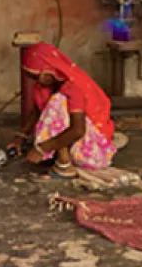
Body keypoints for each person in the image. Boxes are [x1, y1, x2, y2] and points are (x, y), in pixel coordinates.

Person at [10, 43, 117, 178]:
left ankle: (64, 166)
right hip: (81, 141)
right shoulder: (50, 84)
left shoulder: (73, 87)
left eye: (37, 76)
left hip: (95, 150)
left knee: (57, 103)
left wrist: (42, 149)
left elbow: (78, 130)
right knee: (53, 103)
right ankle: (60, 154)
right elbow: (37, 111)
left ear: (49, 69)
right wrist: (20, 137)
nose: (36, 81)